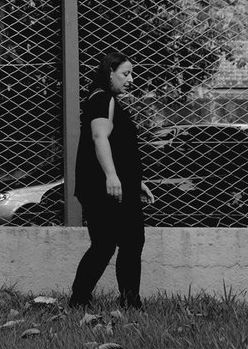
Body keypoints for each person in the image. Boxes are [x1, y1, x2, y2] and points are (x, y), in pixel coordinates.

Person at [68, 51, 154, 310]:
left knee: (106, 244)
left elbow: (116, 145)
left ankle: (80, 298)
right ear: (109, 73)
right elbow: (100, 137)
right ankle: (129, 302)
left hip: (108, 184)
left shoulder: (100, 98)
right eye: (125, 74)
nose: (130, 80)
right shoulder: (103, 99)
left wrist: (133, 180)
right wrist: (113, 176)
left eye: (131, 74)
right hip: (106, 185)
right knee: (129, 241)